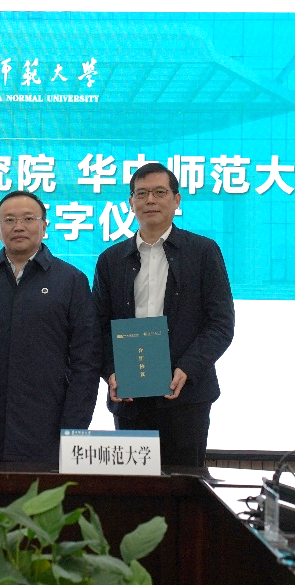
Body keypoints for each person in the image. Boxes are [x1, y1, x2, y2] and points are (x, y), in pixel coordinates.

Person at [92, 162, 234, 467]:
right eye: (141, 194)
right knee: (135, 485)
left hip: (186, 396)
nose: (150, 201)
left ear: (176, 199)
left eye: (159, 192)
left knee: (184, 485)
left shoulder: (203, 252)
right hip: (130, 397)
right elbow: (98, 327)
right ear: (130, 202)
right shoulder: (111, 260)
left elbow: (220, 324)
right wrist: (111, 371)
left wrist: (188, 368)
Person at [0, 190, 100, 463]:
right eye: (9, 220)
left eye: (28, 219)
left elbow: (86, 359)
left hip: (47, 424)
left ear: (44, 226)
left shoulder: (71, 280)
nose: (18, 227)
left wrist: (75, 424)